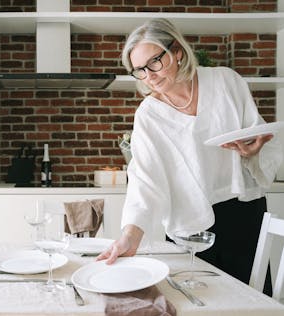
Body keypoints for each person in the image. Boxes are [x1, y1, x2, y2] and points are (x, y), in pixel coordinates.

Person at [96, 18, 283, 291]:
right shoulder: (148, 115)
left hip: (243, 211)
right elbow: (145, 180)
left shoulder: (226, 81)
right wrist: (130, 236)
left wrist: (253, 151)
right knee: (197, 304)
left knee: (250, 301)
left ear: (177, 51)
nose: (150, 76)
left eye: (154, 63)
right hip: (190, 224)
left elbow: (258, 135)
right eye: (139, 70)